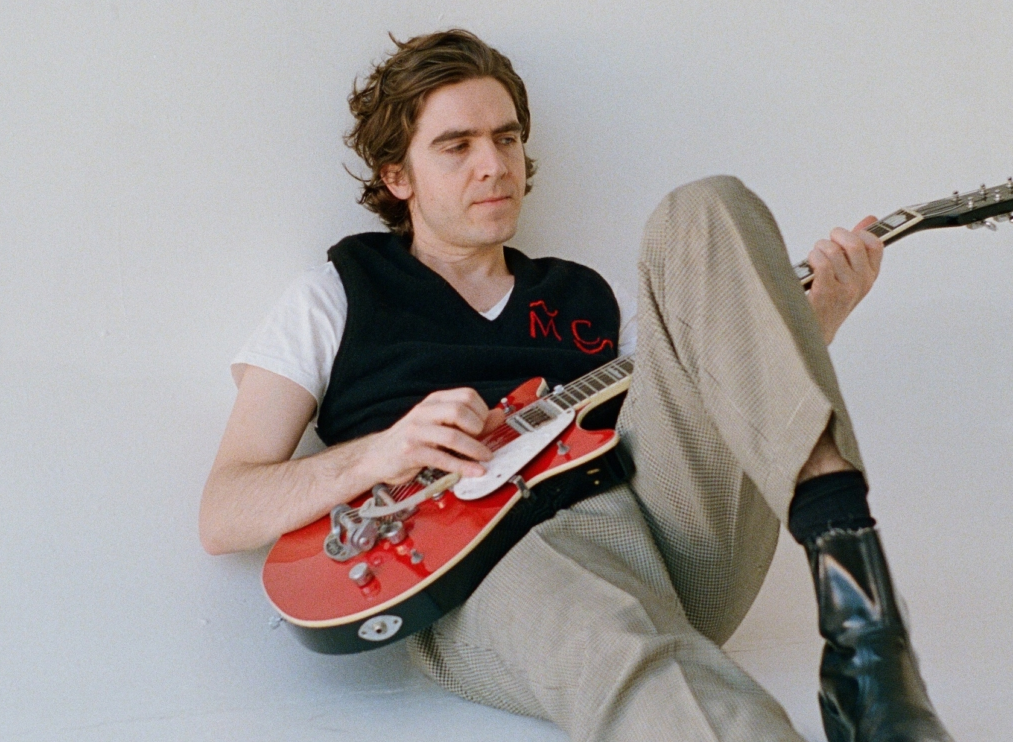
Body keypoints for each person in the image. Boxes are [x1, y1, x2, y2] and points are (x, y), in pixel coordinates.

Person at [200, 29, 955, 742]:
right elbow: (224, 511)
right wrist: (382, 453)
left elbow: (705, 416)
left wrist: (809, 325)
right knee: (625, 648)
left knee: (703, 207)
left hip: (664, 543)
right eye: (457, 146)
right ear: (397, 177)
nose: (494, 165)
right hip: (484, 577)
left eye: (506, 138)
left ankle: (869, 639)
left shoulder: (587, 296)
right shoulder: (336, 294)